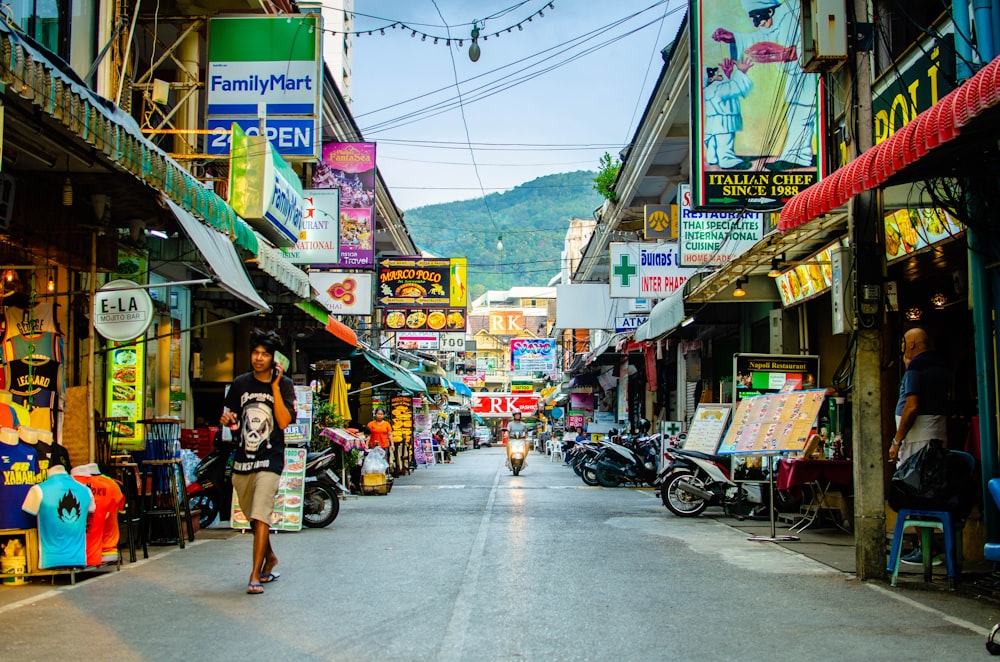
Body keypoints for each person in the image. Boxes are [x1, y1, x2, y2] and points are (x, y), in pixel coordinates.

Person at [220, 329, 295, 595]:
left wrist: (274, 387)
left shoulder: (284, 385)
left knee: (261, 513)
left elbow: (284, 422)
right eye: (255, 353)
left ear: (274, 359)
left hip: (271, 459)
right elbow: (232, 418)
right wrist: (228, 421)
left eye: (265, 354)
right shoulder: (240, 383)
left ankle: (255, 573)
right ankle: (270, 556)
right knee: (253, 516)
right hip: (242, 459)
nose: (259, 358)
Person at [712, 0, 817, 172]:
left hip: (812, 73)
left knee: (806, 114)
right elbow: (763, 38)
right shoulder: (775, 21)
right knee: (797, 116)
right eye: (751, 17)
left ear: (769, 10)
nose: (755, 22)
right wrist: (733, 37)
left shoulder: (793, 13)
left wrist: (784, 54)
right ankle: (797, 156)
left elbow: (808, 41)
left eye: (756, 16)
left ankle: (800, 156)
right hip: (795, 77)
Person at [888, 327, 950, 565]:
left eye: (904, 343)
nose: (902, 347)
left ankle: (925, 548)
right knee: (928, 492)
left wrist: (897, 440)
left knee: (913, 493)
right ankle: (928, 547)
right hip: (935, 433)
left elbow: (912, 406)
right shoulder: (939, 365)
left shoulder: (917, 367)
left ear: (911, 345)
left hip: (916, 438)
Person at [704, 57, 754, 170]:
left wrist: (727, 73)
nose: (720, 74)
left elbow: (727, 86)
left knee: (713, 143)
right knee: (724, 141)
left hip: (713, 122)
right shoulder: (718, 88)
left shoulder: (709, 90)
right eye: (717, 73)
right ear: (711, 78)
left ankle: (713, 158)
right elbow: (735, 88)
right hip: (723, 122)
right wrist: (741, 71)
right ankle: (727, 161)